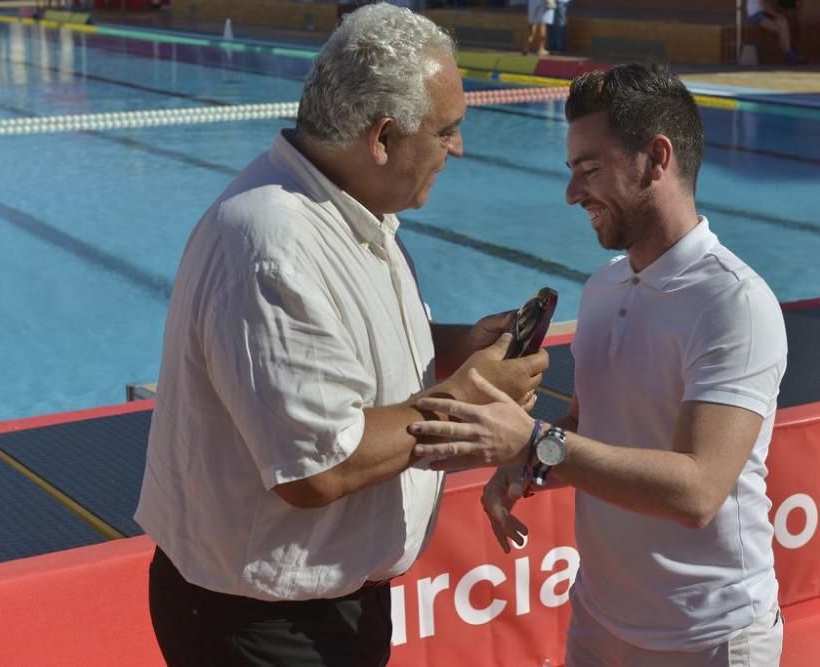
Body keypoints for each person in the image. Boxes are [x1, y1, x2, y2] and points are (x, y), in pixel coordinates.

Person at [134, 4, 547, 666]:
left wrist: (457, 343)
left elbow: (340, 349)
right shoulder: (272, 244)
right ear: (382, 136)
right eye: (446, 131)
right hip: (264, 626)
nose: (458, 149)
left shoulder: (350, 213)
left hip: (323, 608)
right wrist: (465, 402)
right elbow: (317, 465)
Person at [409, 63, 788, 666]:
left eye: (590, 169)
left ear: (656, 158)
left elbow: (698, 490)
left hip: (709, 636)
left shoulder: (733, 303)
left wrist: (533, 443)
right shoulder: (606, 287)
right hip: (599, 617)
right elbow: (589, 432)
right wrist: (526, 468)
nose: (572, 192)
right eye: (572, 171)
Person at [747, 0, 804, 65]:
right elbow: (764, 6)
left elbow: (768, 5)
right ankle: (790, 55)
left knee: (782, 22)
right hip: (756, 15)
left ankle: (790, 55)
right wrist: (778, 15)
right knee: (782, 29)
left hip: (763, 13)